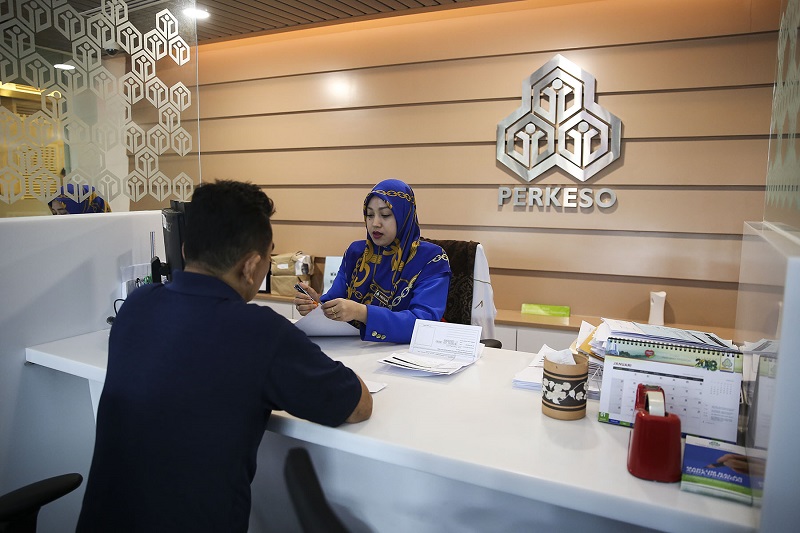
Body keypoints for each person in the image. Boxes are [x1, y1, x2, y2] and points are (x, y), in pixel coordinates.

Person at [77, 180, 372, 532]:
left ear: (185, 250)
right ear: (250, 266)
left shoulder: (137, 305)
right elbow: (357, 405)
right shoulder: (261, 332)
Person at [294, 179, 451, 343]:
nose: (375, 223)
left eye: (385, 215)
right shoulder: (357, 253)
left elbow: (424, 325)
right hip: (353, 351)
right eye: (369, 215)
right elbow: (334, 300)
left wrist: (362, 313)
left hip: (404, 358)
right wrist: (315, 304)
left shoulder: (431, 259)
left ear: (404, 216)